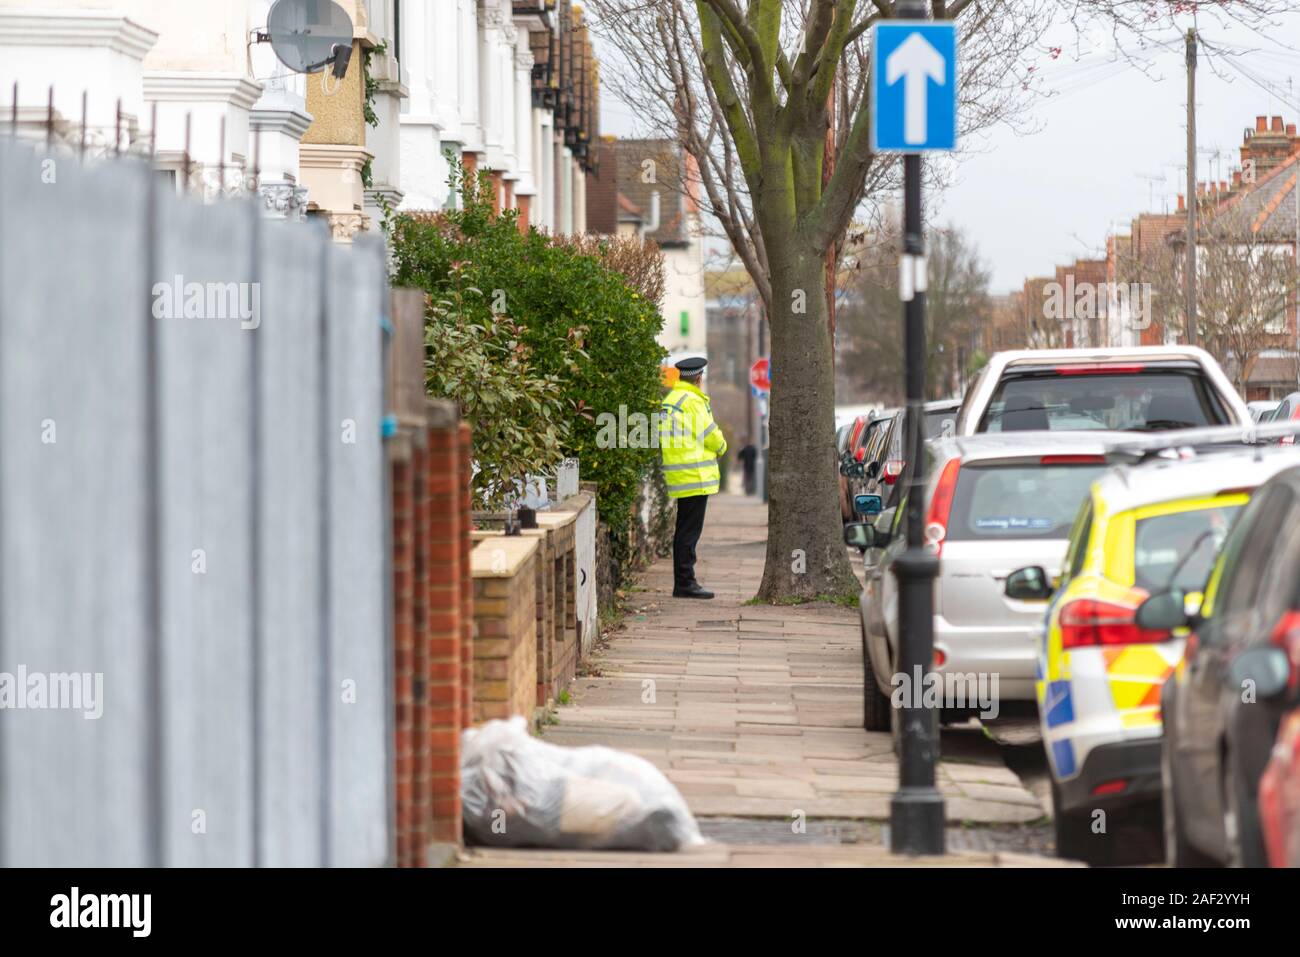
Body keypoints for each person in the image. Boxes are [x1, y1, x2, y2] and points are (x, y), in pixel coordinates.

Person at [659, 356, 727, 598]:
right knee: (689, 532)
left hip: (679, 473)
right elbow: (709, 433)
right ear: (698, 378)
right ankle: (685, 583)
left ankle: (684, 581)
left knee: (683, 529)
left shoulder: (673, 399)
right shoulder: (693, 401)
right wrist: (722, 446)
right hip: (695, 473)